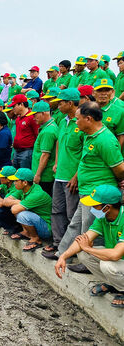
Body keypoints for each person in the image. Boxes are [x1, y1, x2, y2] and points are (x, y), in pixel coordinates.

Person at [57, 102, 124, 273]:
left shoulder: (106, 140)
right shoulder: (89, 134)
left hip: (98, 193)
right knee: (76, 224)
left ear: (88, 119)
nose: (75, 122)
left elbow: (119, 168)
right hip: (87, 191)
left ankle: (89, 262)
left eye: (78, 119)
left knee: (90, 227)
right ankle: (63, 254)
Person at [55, 185, 124, 308]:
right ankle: (112, 284)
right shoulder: (103, 217)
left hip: (118, 259)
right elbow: (84, 239)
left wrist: (87, 248)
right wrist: (63, 256)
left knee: (106, 264)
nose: (92, 208)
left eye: (95, 205)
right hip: (120, 262)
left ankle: (122, 290)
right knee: (83, 254)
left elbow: (115, 255)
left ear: (107, 207)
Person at [43, 88, 84, 260]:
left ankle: (73, 251)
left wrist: (76, 176)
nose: (57, 106)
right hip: (59, 175)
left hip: (72, 178)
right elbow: (60, 142)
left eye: (60, 103)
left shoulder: (82, 123)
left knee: (72, 215)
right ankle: (59, 244)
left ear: (70, 103)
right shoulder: (62, 121)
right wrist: (57, 161)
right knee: (57, 211)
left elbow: (86, 153)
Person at [8, 168, 53, 251]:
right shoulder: (24, 189)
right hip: (38, 222)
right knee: (19, 210)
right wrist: (20, 202)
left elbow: (14, 209)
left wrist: (16, 202)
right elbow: (5, 200)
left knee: (22, 214)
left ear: (25, 182)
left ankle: (36, 239)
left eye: (16, 181)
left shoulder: (36, 194)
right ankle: (26, 232)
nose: (14, 183)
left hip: (46, 228)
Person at [29, 101, 58, 196]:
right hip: (43, 174)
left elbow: (45, 155)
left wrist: (37, 175)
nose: (33, 118)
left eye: (35, 115)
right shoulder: (47, 128)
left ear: (43, 113)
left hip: (44, 176)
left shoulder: (48, 131)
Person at [0, 165, 21, 233]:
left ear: (8, 179)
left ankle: (12, 227)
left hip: (14, 211)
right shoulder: (4, 185)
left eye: (1, 177)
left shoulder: (16, 187)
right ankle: (2, 222)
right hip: (7, 206)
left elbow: (1, 204)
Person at [10, 94, 39, 169]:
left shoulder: (31, 117)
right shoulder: (18, 119)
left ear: (21, 104)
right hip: (17, 151)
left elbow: (37, 135)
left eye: (14, 106)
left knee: (24, 176)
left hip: (27, 151)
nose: (13, 109)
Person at [93, 78, 124, 147]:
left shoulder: (119, 112)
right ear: (93, 93)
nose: (103, 93)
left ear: (112, 92)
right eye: (99, 90)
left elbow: (121, 137)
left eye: (107, 90)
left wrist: (115, 154)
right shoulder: (88, 110)